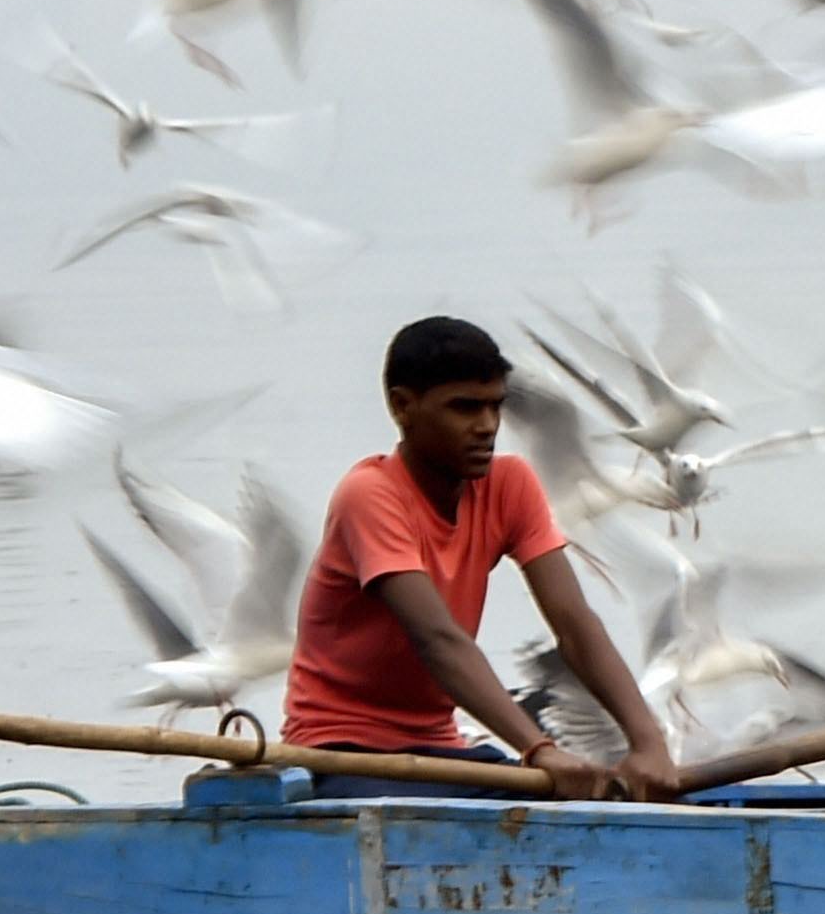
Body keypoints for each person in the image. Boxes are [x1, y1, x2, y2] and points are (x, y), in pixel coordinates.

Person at [280, 314, 689, 801]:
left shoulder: (510, 484)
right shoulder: (368, 494)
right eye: (464, 408)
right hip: (340, 752)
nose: (487, 426)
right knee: (529, 798)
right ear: (402, 407)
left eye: (496, 406)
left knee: (574, 802)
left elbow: (575, 624)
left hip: (437, 749)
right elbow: (437, 639)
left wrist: (649, 744)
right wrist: (538, 750)